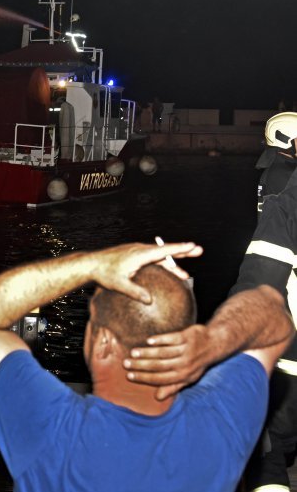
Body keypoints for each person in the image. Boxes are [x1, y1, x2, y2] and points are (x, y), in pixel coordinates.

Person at [0, 241, 292, 492]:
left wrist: (92, 265)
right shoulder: (221, 423)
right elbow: (274, 309)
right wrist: (213, 339)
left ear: (103, 343)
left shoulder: (52, 433)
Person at [126, 112, 297, 491]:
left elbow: (264, 272)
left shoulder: (281, 185)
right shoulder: (284, 185)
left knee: (267, 440)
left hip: (283, 328)